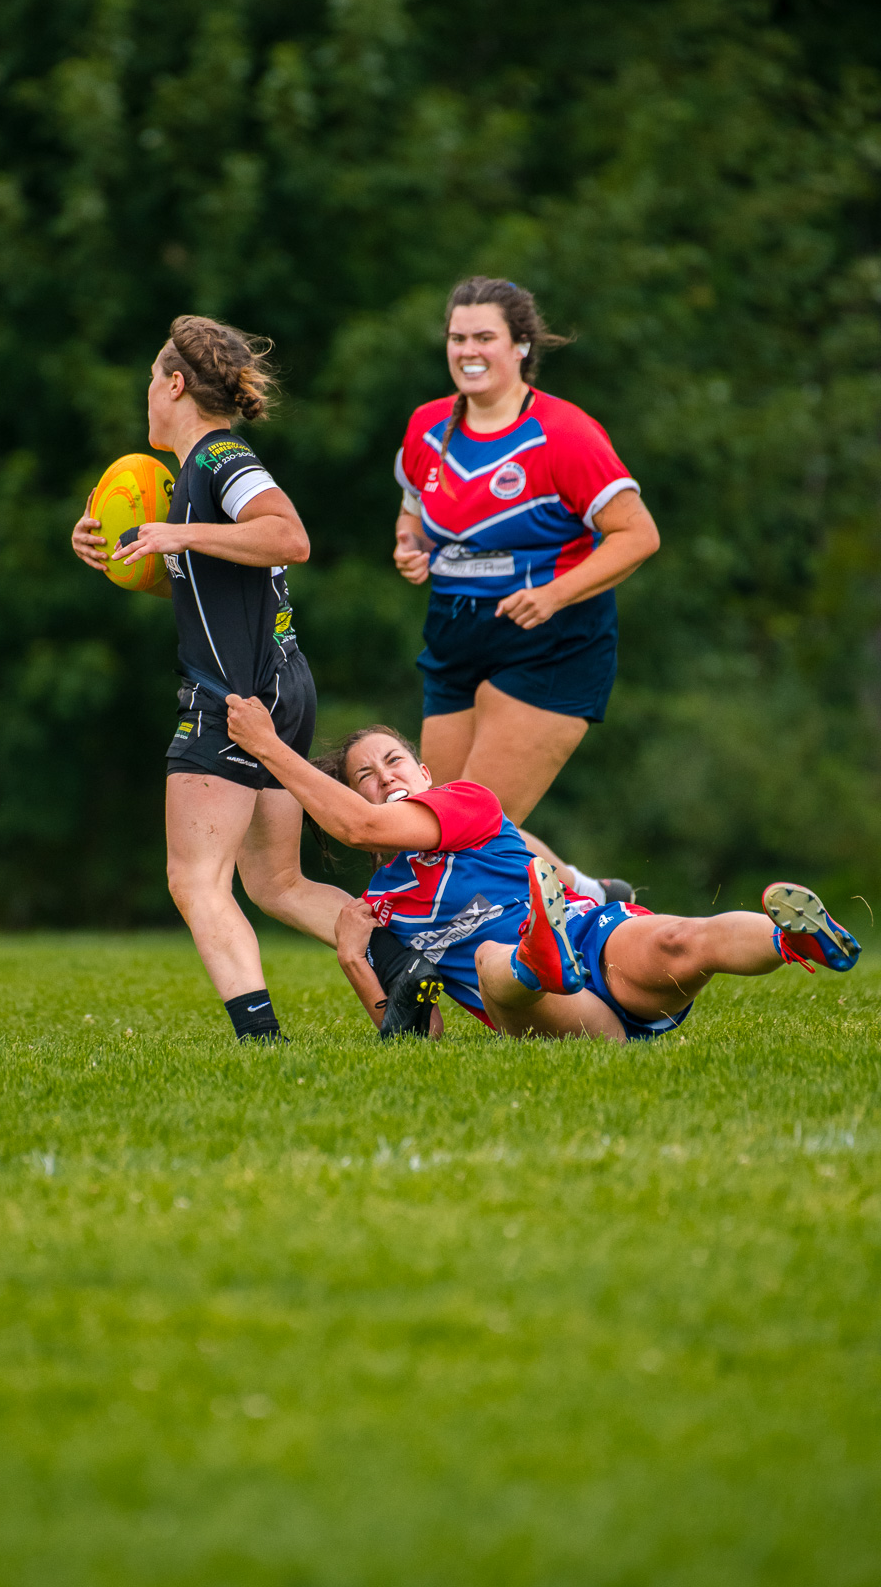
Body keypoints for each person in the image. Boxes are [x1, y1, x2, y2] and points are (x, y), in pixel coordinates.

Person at [222, 702, 860, 1042]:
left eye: (395, 762)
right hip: (561, 1015)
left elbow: (359, 827)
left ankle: (792, 939)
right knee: (494, 968)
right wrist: (356, 959)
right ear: (354, 792)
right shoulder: (382, 908)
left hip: (597, 939)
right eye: (366, 775)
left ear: (424, 776)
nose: (386, 776)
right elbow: (424, 1034)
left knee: (679, 941)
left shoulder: (466, 801)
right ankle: (536, 957)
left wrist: (268, 745)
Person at [71, 314, 352, 1041]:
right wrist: (126, 562)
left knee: (195, 879)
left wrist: (180, 532)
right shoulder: (193, 475)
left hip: (235, 693)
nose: (146, 397)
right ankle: (406, 961)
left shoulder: (222, 460)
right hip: (278, 685)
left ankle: (261, 1041)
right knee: (277, 885)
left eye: (149, 383)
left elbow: (289, 535)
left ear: (172, 383)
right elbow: (210, 585)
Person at [392, 276, 660, 886]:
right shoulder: (427, 428)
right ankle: (587, 894)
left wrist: (554, 595)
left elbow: (638, 535)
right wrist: (411, 547)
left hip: (552, 637)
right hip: (456, 632)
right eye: (458, 338)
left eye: (485, 337)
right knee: (431, 827)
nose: (468, 351)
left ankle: (599, 926)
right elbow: (416, 518)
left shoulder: (564, 434)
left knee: (470, 824)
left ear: (520, 347)